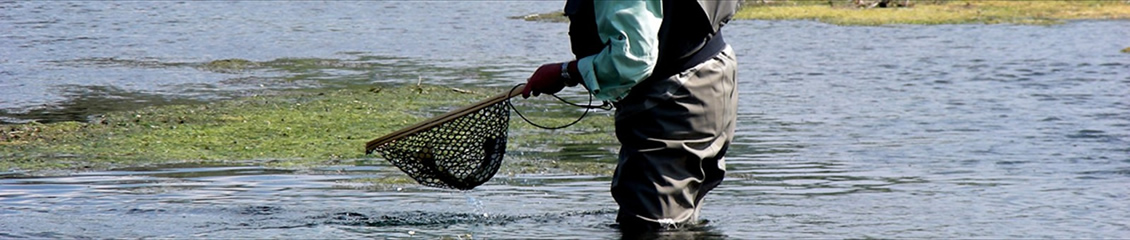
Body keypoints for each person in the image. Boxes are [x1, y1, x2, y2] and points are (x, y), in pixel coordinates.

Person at [521, 0, 739, 232]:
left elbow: (633, 60)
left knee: (651, 227)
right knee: (678, 224)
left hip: (675, 97)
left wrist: (566, 72)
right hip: (712, 74)